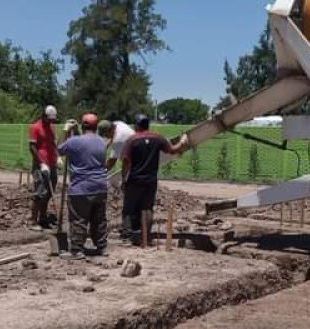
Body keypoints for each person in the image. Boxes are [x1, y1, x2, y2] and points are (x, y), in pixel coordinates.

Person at [121, 114, 189, 245]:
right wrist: (183, 141)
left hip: (135, 179)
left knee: (129, 209)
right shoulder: (158, 138)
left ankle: (127, 237)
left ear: (136, 126)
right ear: (148, 125)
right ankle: (145, 236)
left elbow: (125, 160)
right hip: (151, 180)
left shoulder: (132, 140)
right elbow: (173, 150)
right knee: (147, 208)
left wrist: (124, 179)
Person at [57, 113, 109, 257]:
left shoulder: (74, 142)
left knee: (79, 219)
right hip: (100, 186)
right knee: (99, 220)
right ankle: (102, 247)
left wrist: (66, 130)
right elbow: (86, 147)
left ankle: (77, 250)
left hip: (80, 188)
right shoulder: (101, 142)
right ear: (96, 126)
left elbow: (59, 149)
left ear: (82, 125)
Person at [28, 105, 59, 230]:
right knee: (39, 193)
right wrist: (41, 163)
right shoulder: (35, 127)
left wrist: (58, 157)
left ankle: (43, 218)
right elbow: (32, 147)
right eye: (49, 119)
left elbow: (52, 144)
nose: (51, 122)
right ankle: (33, 222)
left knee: (49, 193)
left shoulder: (51, 128)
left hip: (52, 164)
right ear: (44, 116)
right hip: (39, 166)